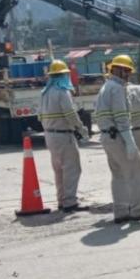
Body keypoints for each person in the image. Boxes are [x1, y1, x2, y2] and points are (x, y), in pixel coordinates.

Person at [95, 55, 140, 224]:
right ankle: (139, 211)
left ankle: (121, 211)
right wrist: (130, 143)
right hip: (118, 136)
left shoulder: (106, 87)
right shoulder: (117, 88)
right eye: (127, 71)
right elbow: (121, 118)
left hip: (107, 136)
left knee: (119, 175)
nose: (128, 75)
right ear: (119, 70)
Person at [40, 60, 89, 213]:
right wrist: (81, 129)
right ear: (63, 75)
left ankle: (61, 200)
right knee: (72, 168)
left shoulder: (45, 93)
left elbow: (40, 116)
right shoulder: (62, 92)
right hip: (63, 135)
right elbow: (70, 114)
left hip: (50, 135)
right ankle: (70, 202)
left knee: (59, 170)